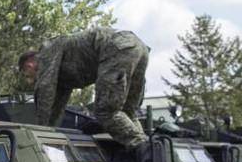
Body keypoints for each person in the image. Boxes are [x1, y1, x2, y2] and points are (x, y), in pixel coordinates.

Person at [19, 28, 150, 148]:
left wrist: (38, 135)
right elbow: (55, 107)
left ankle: (142, 148)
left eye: (27, 75)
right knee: (127, 113)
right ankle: (151, 153)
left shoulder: (46, 52)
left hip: (117, 48)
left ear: (29, 65)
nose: (30, 81)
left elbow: (45, 88)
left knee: (106, 112)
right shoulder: (62, 72)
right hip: (137, 48)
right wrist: (49, 132)